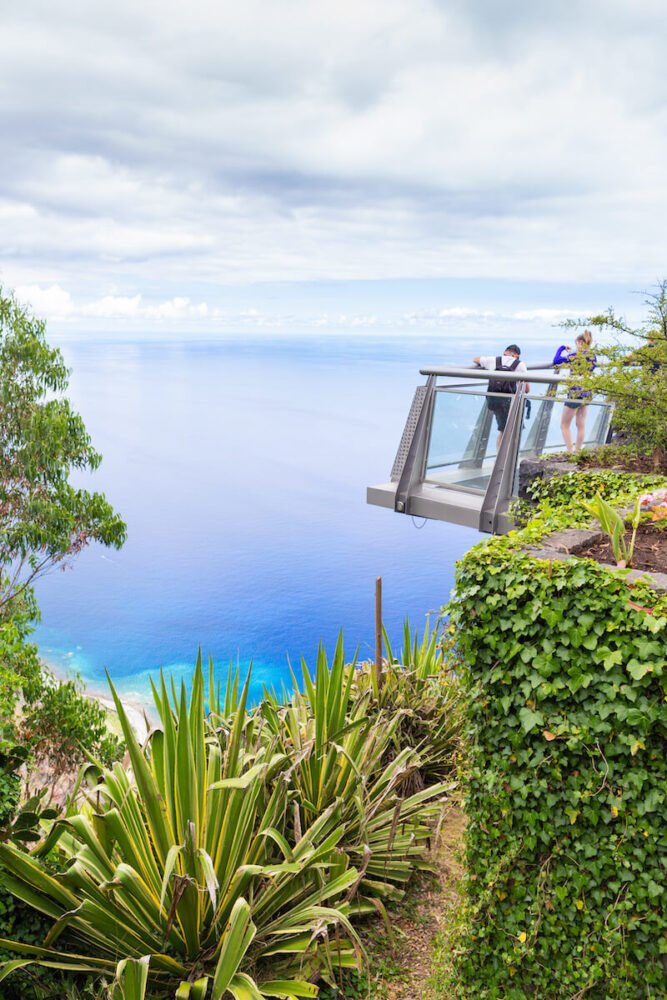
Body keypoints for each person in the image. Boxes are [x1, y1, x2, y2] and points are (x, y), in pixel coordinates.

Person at [473, 344, 530, 448]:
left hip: (494, 400)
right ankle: (505, 459)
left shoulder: (493, 360)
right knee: (513, 430)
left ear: (505, 352)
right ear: (517, 355)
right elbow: (527, 389)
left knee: (503, 430)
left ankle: (500, 458)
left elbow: (476, 359)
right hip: (510, 401)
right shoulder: (520, 364)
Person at [553, 330, 596, 452]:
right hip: (587, 391)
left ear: (579, 342)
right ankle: (578, 451)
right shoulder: (593, 356)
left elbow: (556, 361)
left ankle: (570, 451)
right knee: (581, 424)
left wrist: (561, 348)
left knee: (564, 425)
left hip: (574, 392)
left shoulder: (575, 356)